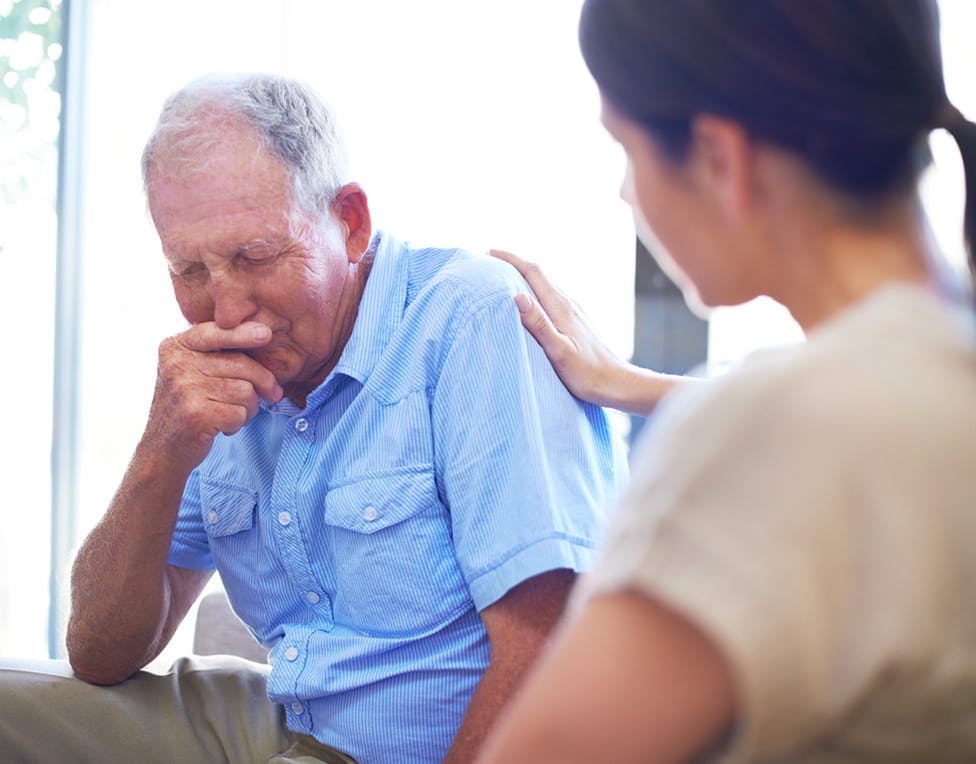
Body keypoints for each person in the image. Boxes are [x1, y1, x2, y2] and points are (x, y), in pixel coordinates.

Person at [0, 73, 620, 764]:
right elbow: (98, 653)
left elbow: (553, 644)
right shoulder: (216, 379)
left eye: (254, 257)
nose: (225, 311)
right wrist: (161, 452)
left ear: (350, 222)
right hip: (286, 716)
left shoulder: (471, 317)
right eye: (190, 271)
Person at [478, 1, 976, 762]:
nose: (625, 192)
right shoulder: (931, 366)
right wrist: (628, 384)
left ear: (719, 157)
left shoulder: (769, 430)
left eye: (626, 149)